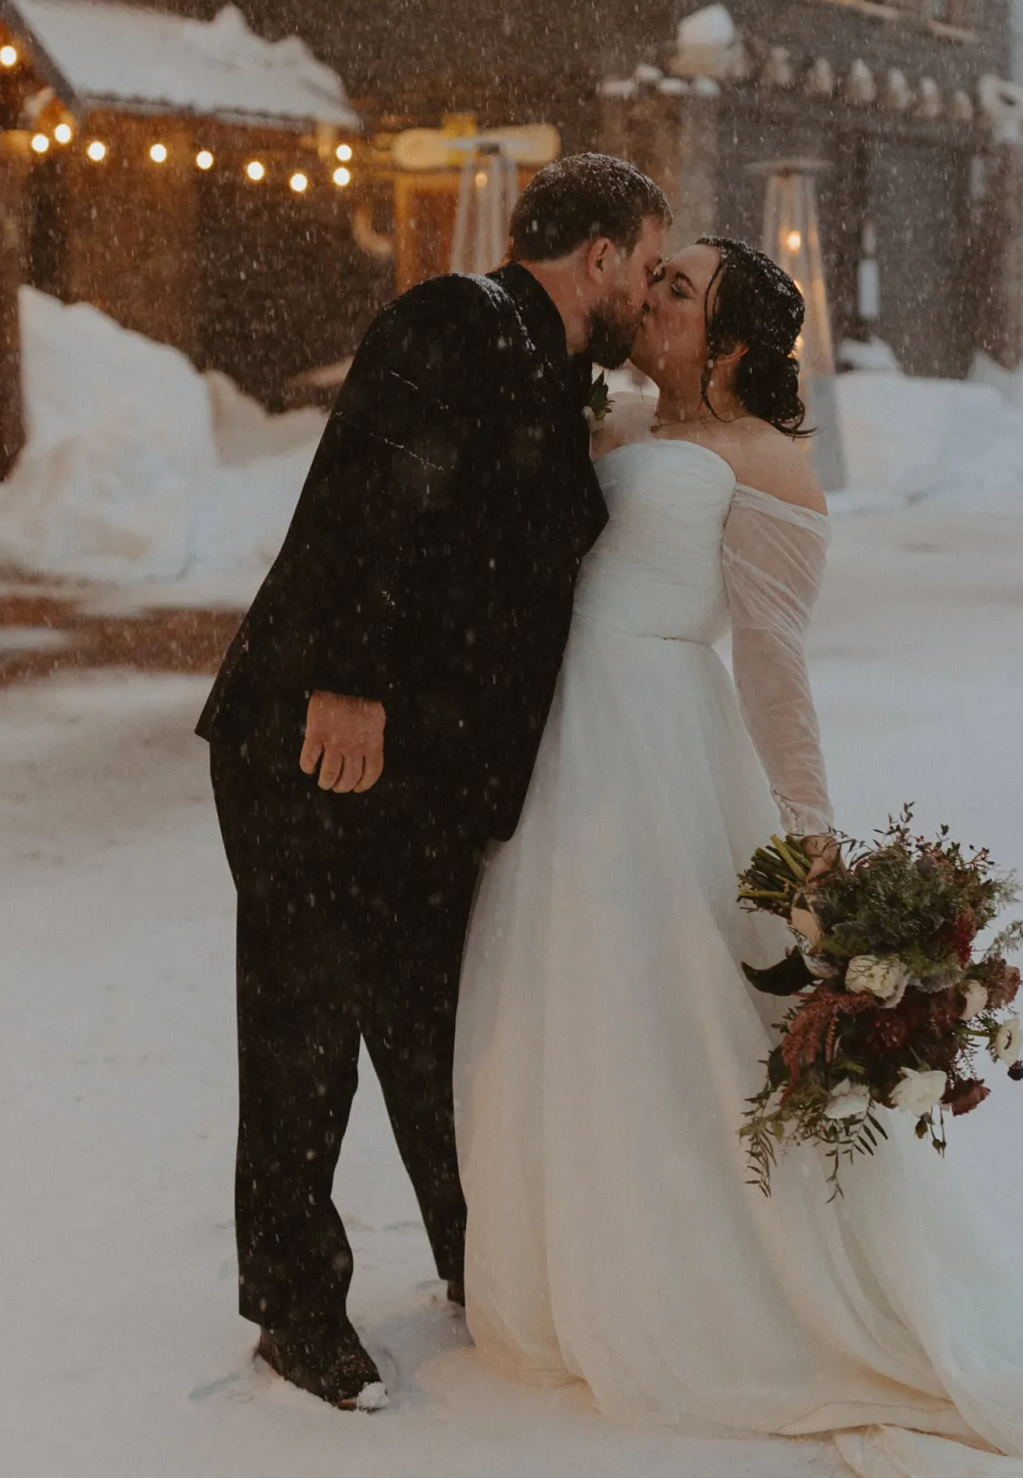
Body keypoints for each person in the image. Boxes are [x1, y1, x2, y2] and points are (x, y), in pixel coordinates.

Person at [455, 238, 1023, 1476]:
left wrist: (815, 847)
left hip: (653, 749)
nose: (649, 300)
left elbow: (772, 667)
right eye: (652, 280)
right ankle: (572, 1255)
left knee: (668, 1018)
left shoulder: (764, 467)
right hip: (564, 741)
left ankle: (695, 1285)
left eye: (678, 292)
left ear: (735, 344)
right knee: (580, 1010)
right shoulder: (602, 424)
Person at [197, 152, 670, 1412]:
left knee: (425, 1024)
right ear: (600, 257)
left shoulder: (553, 368)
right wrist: (346, 682)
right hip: (316, 739)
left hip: (414, 775)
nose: (650, 287)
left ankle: (475, 1257)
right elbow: (370, 494)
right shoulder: (453, 318)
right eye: (647, 261)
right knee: (305, 1030)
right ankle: (296, 1307)